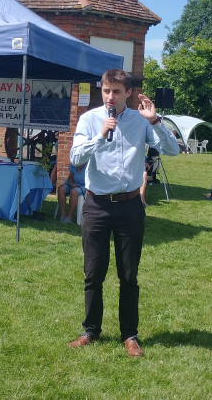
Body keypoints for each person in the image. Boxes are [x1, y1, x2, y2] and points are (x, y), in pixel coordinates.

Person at [68, 69, 180, 358]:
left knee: (128, 275)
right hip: (96, 205)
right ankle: (90, 330)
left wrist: (155, 120)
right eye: (106, 91)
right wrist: (100, 134)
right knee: (93, 273)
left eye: (117, 91)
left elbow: (172, 150)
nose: (110, 96)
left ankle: (129, 335)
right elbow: (75, 158)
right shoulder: (90, 120)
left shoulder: (140, 122)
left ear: (127, 93)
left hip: (130, 206)